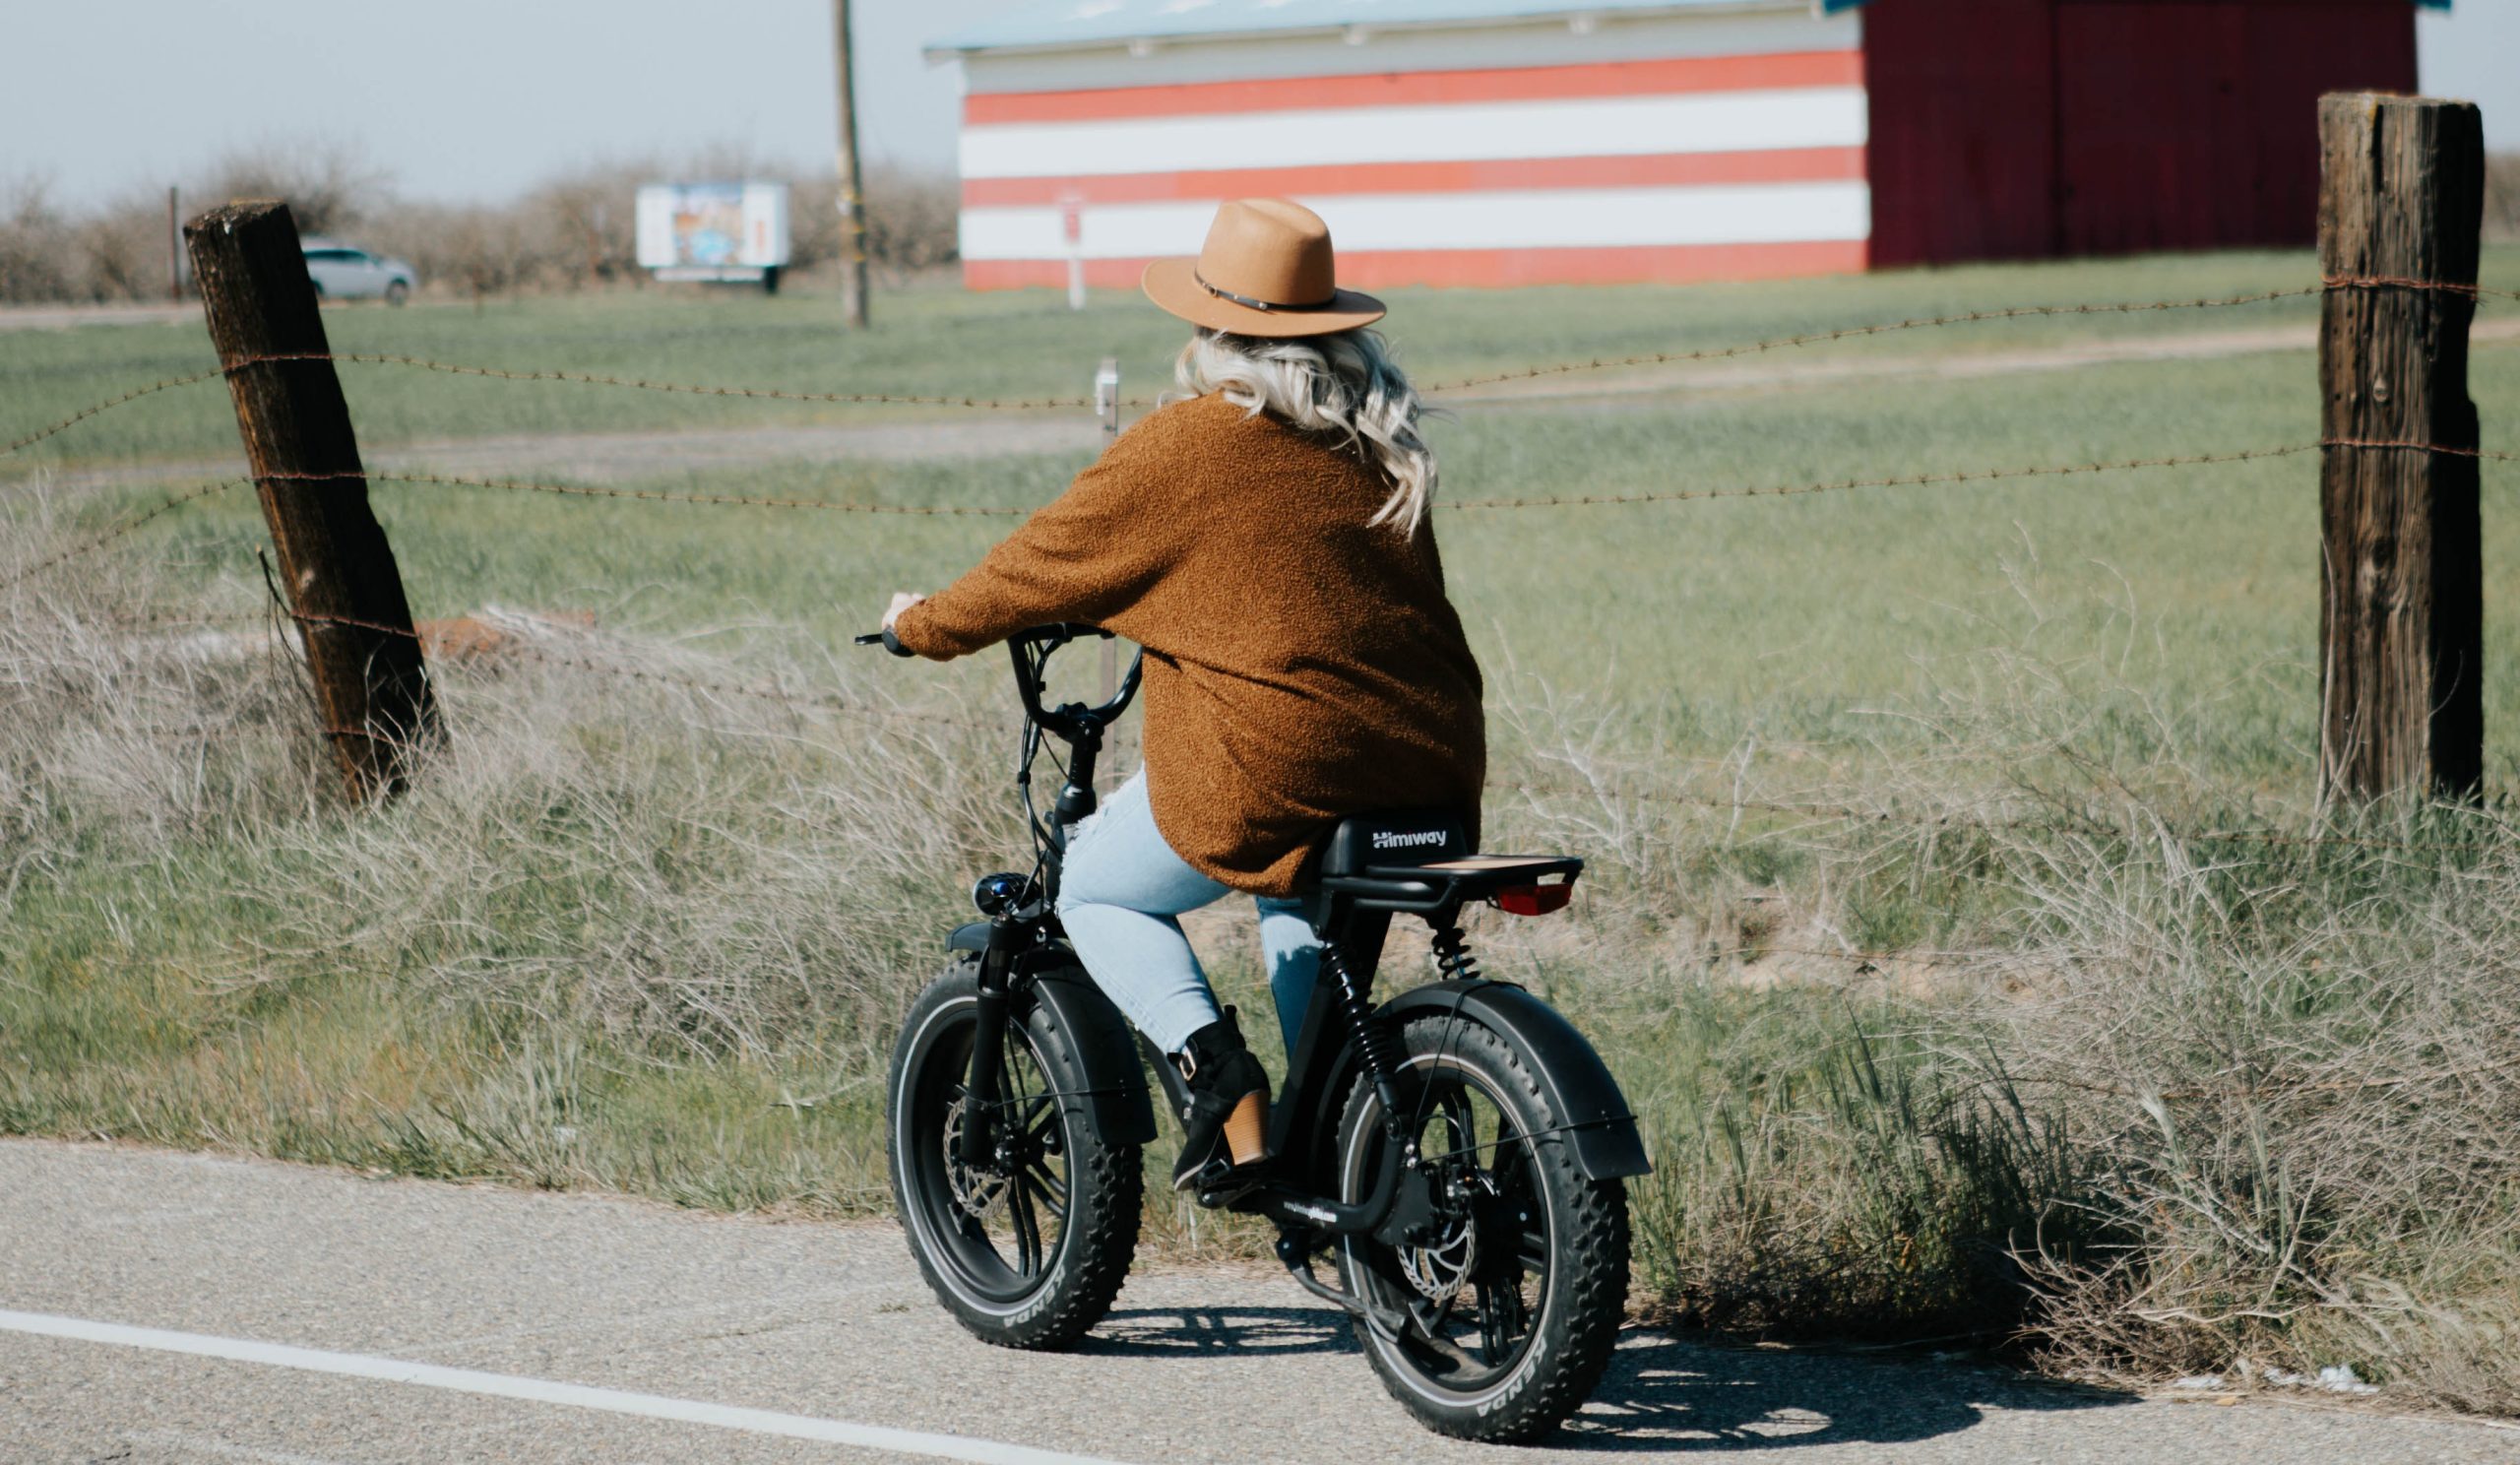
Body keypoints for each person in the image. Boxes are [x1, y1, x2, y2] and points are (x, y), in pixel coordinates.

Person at [882, 198, 1484, 1190]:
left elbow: (1035, 566)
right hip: (1425, 762)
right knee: (1298, 907)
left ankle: (1221, 1085)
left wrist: (920, 625)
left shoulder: (1191, 446)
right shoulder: (1371, 439)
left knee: (1093, 884)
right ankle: (1340, 1150)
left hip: (1283, 771)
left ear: (1212, 330)